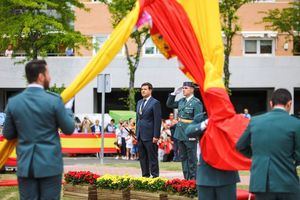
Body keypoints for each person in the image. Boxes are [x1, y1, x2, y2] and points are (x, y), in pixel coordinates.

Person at [2, 59, 75, 200]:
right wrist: (68, 111)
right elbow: (69, 129)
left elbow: (8, 134)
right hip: (50, 164)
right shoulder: (54, 100)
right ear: (41, 76)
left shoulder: (14, 102)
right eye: (48, 73)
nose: (50, 77)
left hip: (25, 165)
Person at [236, 88, 300, 200]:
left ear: (271, 103)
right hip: (287, 181)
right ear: (289, 103)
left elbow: (240, 145)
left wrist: (256, 155)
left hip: (262, 182)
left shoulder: (255, 121)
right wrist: (291, 160)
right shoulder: (295, 123)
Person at [186, 114, 240, 200]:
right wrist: (206, 123)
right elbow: (188, 131)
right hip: (206, 173)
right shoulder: (201, 118)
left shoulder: (230, 117)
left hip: (227, 173)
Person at [166, 82, 203, 180]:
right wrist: (174, 94)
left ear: (192, 89)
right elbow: (169, 104)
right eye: (183, 88)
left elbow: (198, 120)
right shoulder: (181, 101)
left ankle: (194, 180)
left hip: (190, 133)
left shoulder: (196, 102)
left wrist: (196, 133)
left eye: (185, 88)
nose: (183, 90)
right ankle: (186, 179)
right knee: (183, 157)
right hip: (180, 133)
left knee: (192, 158)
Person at [136, 82, 162, 178]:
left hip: (150, 135)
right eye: (142, 89)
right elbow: (138, 119)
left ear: (150, 90)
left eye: (145, 89)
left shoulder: (155, 103)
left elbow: (157, 120)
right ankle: (145, 176)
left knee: (152, 158)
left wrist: (156, 136)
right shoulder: (139, 102)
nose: (143, 91)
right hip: (140, 135)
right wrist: (136, 133)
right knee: (142, 158)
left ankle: (155, 176)